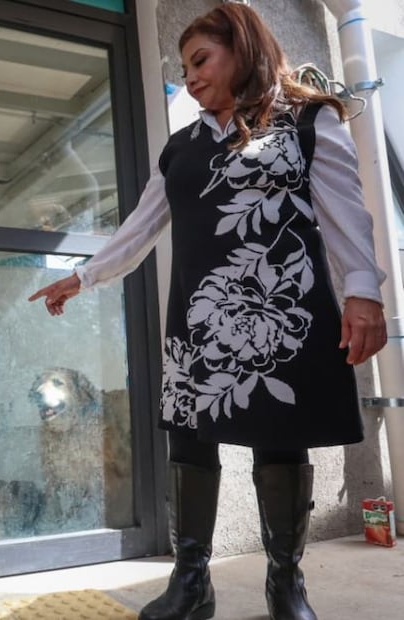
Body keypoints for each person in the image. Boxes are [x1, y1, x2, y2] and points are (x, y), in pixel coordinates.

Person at [28, 4, 387, 620]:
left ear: (242, 50)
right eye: (184, 66)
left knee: (280, 439)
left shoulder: (305, 122)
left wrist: (364, 292)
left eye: (201, 60)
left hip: (281, 308)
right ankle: (191, 582)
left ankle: (286, 583)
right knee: (190, 439)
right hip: (200, 317)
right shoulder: (182, 149)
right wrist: (83, 277)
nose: (191, 76)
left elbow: (346, 211)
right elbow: (139, 229)